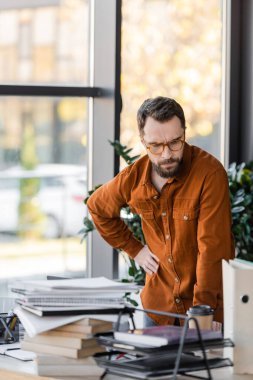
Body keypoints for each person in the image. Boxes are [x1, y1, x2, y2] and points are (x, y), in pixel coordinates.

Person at [87, 96, 235, 326]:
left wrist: (203, 314)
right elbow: (97, 207)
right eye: (155, 146)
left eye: (175, 142)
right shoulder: (134, 178)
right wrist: (135, 250)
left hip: (203, 311)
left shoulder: (209, 174)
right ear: (143, 140)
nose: (166, 154)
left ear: (184, 133)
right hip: (157, 309)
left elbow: (212, 250)